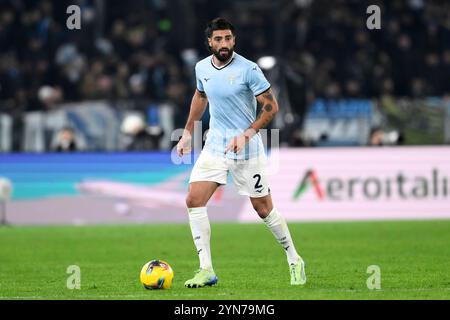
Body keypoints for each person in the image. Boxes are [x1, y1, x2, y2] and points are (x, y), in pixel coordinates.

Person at [176, 18, 306, 288]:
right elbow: (200, 97)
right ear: (209, 42)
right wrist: (188, 132)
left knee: (263, 209)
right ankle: (206, 270)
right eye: (219, 39)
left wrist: (247, 134)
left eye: (228, 39)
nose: (224, 44)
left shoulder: (249, 69)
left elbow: (271, 107)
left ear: (234, 40)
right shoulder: (201, 68)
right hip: (215, 146)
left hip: (247, 150)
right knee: (193, 199)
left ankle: (294, 259)